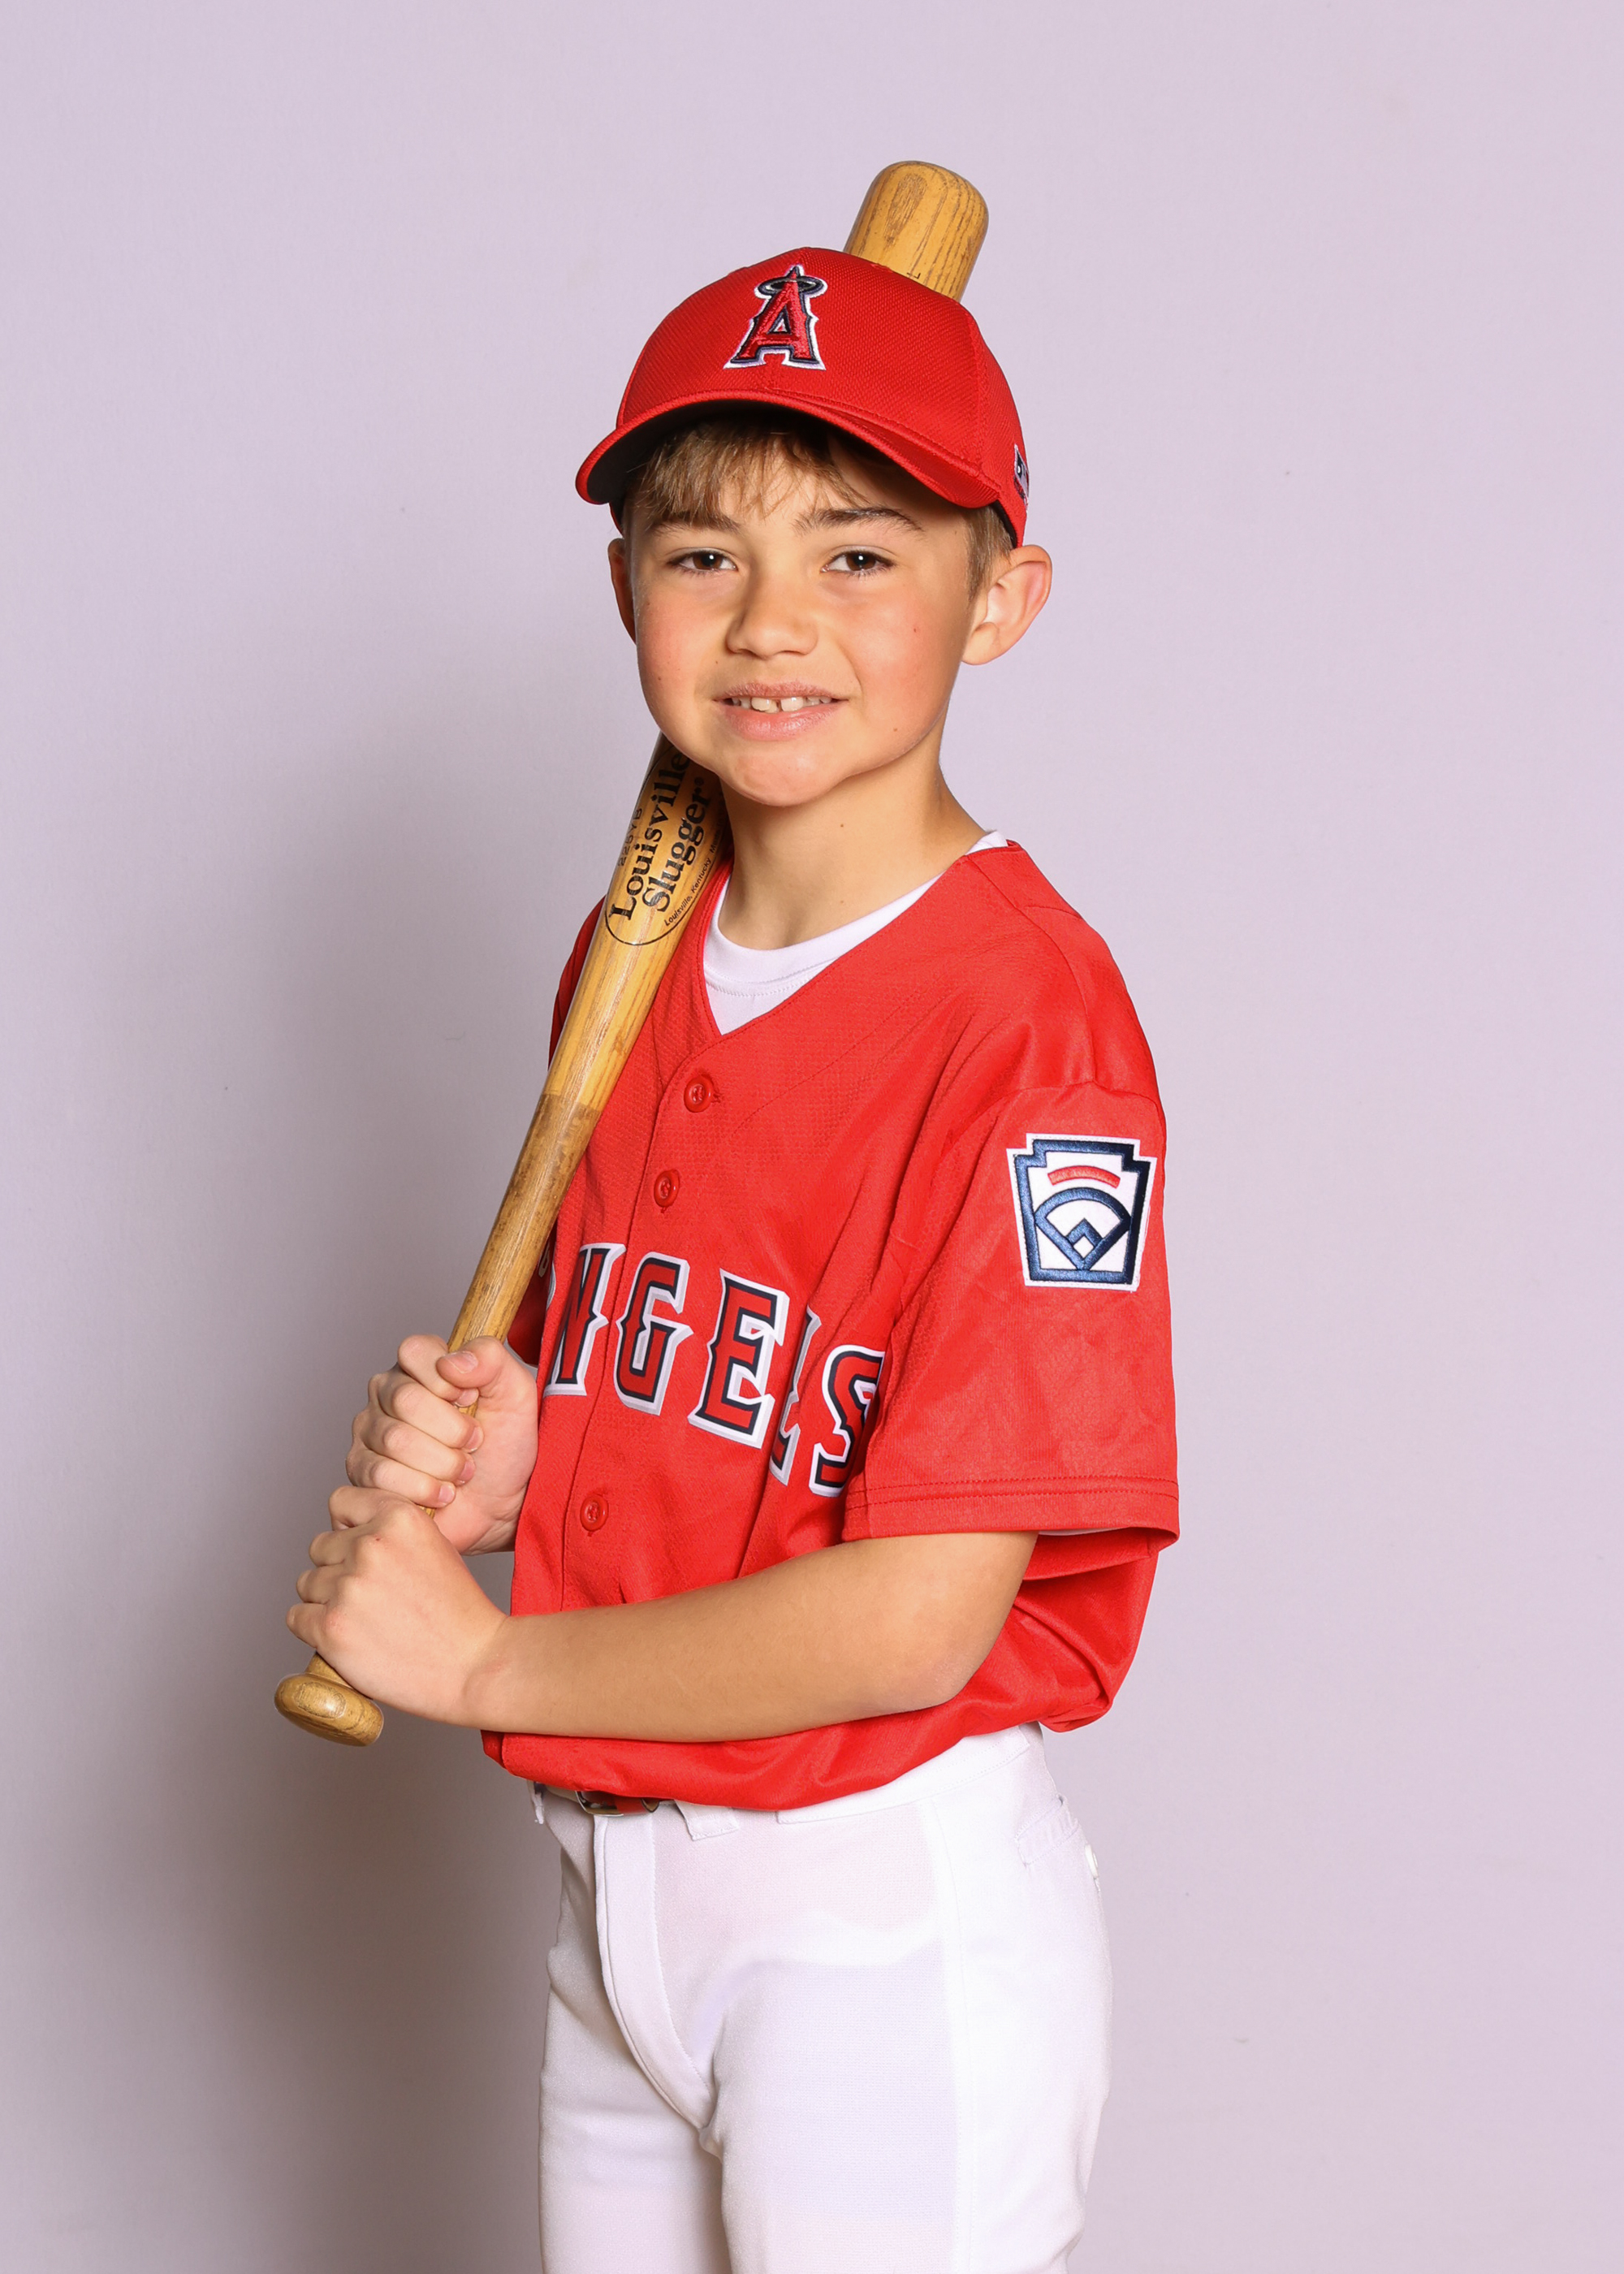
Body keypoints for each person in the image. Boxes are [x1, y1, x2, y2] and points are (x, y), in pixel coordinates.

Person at [287, 244, 1178, 2274]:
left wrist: (483, 1658)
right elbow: (733, 1401)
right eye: (704, 554)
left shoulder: (1028, 1022)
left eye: (860, 554)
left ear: (1001, 597)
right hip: (612, 1900)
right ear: (625, 591)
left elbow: (918, 1612)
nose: (774, 619)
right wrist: (539, 1456)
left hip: (871, 1904)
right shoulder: (634, 955)